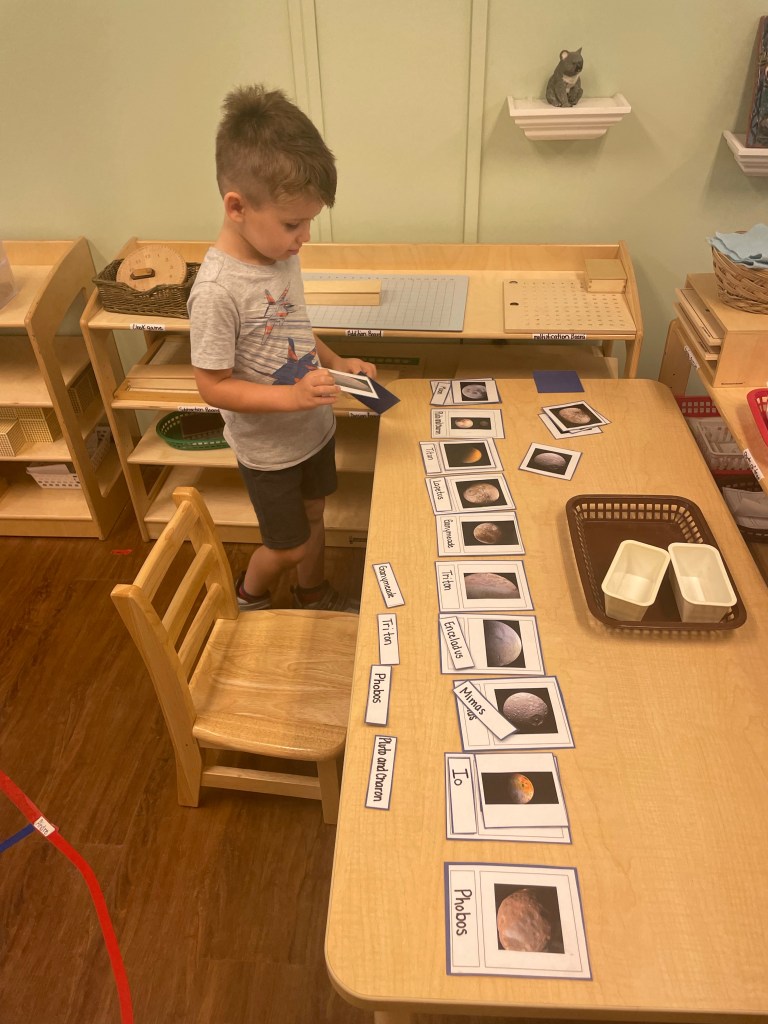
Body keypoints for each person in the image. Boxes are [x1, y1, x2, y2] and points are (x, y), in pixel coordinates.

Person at [188, 84, 376, 612]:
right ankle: (249, 597)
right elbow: (212, 387)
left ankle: (312, 593)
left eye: (309, 221)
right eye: (294, 223)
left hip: (312, 430)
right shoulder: (217, 290)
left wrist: (337, 362)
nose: (304, 236)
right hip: (269, 452)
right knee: (287, 545)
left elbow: (291, 327)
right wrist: (291, 398)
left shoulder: (280, 255)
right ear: (237, 206)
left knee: (315, 514)